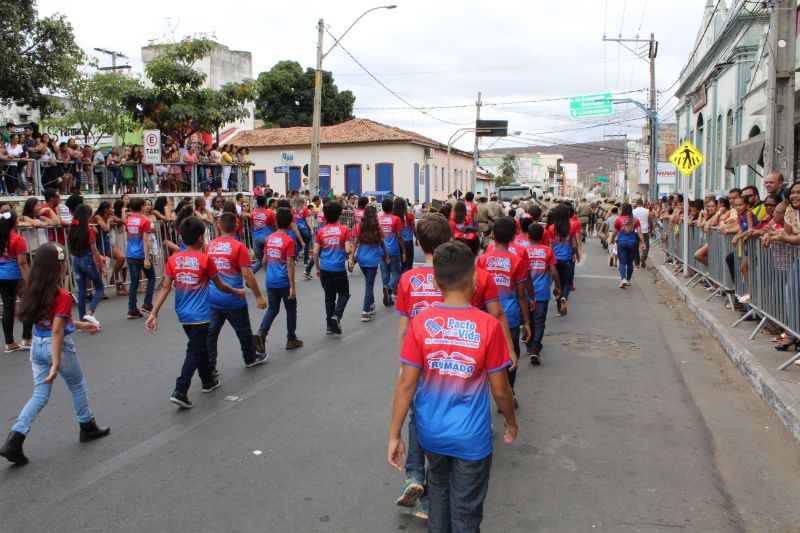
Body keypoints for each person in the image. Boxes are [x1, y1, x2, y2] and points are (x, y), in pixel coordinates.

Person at [387, 241, 518, 532]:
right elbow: (500, 390)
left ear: (435, 282)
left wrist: (394, 435)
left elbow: (406, 384)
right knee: (466, 512)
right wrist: (511, 421)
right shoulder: (488, 326)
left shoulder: (421, 323)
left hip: (431, 435)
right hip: (472, 439)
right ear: (475, 279)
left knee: (438, 496)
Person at [0, 243, 108, 465]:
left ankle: (14, 439)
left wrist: (81, 325)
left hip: (38, 345)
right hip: (56, 346)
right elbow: (57, 329)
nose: (66, 264)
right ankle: (87, 425)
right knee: (77, 385)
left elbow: (55, 321)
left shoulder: (32, 290)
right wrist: (56, 361)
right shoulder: (61, 295)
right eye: (64, 261)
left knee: (39, 395)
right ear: (57, 265)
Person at [145, 217, 245, 409]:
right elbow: (220, 285)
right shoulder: (206, 260)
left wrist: (154, 313)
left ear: (181, 238)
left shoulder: (174, 259)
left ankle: (207, 380)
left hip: (183, 314)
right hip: (200, 314)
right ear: (201, 238)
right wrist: (237, 292)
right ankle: (180, 389)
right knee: (195, 349)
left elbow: (165, 287)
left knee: (200, 347)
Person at [392, 213, 453, 518]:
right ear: (449, 240)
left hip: (417, 359)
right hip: (448, 360)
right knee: (440, 419)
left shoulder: (408, 279)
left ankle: (415, 475)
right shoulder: (454, 278)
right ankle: (429, 496)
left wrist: (404, 364)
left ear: (418, 242)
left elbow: (403, 328)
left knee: (417, 416)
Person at [205, 212, 268, 372]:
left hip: (213, 298)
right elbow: (247, 273)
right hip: (234, 298)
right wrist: (259, 296)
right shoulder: (239, 247)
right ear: (237, 225)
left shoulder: (210, 246)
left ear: (218, 226)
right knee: (243, 331)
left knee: (211, 335)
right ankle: (250, 358)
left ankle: (210, 367)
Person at [477, 217, 531, 396]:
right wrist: (527, 323)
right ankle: (508, 391)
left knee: (485, 354)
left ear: (493, 235)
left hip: (486, 317)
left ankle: (489, 390)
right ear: (513, 237)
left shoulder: (482, 260)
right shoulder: (517, 261)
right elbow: (521, 295)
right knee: (511, 354)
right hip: (511, 318)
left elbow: (477, 290)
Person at [254, 207, 304, 353]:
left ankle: (261, 333)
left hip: (270, 281)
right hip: (283, 281)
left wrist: (268, 274)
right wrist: (292, 287)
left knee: (273, 309)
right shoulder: (289, 241)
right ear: (290, 223)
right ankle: (291, 338)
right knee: (291, 309)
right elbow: (290, 265)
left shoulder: (269, 238)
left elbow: (264, 261)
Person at [313, 201, 352, 335]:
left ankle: (329, 326)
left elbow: (315, 252)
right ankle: (336, 316)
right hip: (338, 268)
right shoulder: (344, 230)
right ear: (339, 214)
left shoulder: (321, 231)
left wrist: (318, 269)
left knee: (329, 296)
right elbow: (347, 250)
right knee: (344, 293)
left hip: (325, 268)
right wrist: (350, 247)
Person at [525, 223, 561, 364]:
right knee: (539, 320)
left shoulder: (523, 251)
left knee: (528, 320)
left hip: (526, 293)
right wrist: (558, 287)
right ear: (542, 236)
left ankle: (530, 345)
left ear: (528, 236)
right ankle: (535, 347)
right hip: (542, 293)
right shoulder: (548, 251)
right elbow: (554, 272)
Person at [67, 205, 105, 328]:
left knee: (82, 291)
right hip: (87, 260)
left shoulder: (72, 228)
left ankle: (82, 320)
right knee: (99, 287)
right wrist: (101, 264)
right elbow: (94, 248)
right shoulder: (88, 229)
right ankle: (90, 312)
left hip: (76, 260)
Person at [349, 205, 388, 322]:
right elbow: (382, 243)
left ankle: (371, 304)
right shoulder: (377, 227)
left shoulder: (358, 226)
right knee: (369, 285)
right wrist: (386, 255)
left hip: (361, 259)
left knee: (368, 283)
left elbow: (355, 244)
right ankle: (365, 312)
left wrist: (351, 259)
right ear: (375, 215)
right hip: (372, 260)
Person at [0, 210, 31, 352]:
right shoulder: (18, 239)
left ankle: (9, 343)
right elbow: (22, 262)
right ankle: (26, 338)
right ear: (15, 223)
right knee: (28, 305)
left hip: (2, 277)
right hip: (16, 277)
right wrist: (29, 280)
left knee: (8, 308)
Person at [546, 204, 580, 316]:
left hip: (555, 259)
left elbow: (550, 246)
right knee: (567, 282)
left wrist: (549, 259)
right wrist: (577, 255)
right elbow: (574, 244)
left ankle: (559, 310)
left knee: (558, 282)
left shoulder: (551, 228)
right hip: (567, 259)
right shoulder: (571, 227)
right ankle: (564, 297)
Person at [125, 198, 155, 319]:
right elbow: (146, 240)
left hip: (130, 254)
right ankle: (147, 304)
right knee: (151, 277)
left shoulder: (128, 221)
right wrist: (147, 258)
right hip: (141, 254)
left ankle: (132, 308)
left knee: (134, 282)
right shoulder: (144, 221)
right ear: (142, 207)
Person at [611, 203, 646, 289]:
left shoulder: (619, 220)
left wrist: (612, 239)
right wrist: (643, 243)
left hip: (622, 242)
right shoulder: (635, 220)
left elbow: (614, 232)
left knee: (622, 262)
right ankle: (628, 280)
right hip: (633, 243)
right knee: (630, 262)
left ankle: (623, 279)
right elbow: (640, 232)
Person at [379, 198, 406, 306]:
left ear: (382, 208)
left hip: (381, 250)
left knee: (385, 275)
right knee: (396, 273)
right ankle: (389, 288)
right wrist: (404, 252)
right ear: (392, 207)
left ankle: (388, 298)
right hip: (394, 251)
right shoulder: (396, 219)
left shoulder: (378, 219)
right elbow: (399, 236)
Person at [250, 195, 277, 274]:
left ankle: (250, 275)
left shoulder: (252, 213)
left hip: (256, 238)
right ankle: (272, 277)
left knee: (260, 260)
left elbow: (252, 225)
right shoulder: (270, 213)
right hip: (267, 238)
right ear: (265, 203)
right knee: (273, 259)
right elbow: (274, 226)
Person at [394, 197, 416, 273]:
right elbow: (414, 229)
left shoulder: (394, 216)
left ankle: (400, 278)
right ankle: (406, 278)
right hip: (408, 242)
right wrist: (417, 238)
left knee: (400, 263)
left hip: (398, 242)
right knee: (408, 264)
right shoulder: (410, 215)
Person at [632, 198, 651, 268]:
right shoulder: (647, 211)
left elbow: (631, 222)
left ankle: (637, 263)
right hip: (644, 230)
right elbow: (650, 220)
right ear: (642, 203)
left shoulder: (633, 211)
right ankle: (643, 257)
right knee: (646, 245)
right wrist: (651, 229)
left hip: (636, 231)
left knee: (635, 247)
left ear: (636, 203)